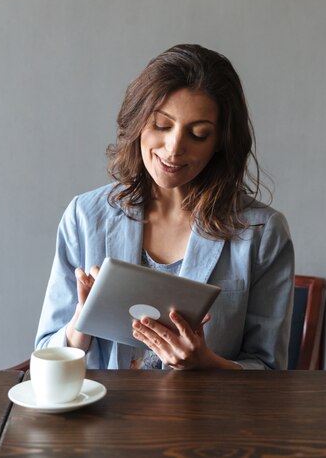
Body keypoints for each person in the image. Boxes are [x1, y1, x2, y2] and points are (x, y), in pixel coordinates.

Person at [35, 44, 294, 370]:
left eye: (198, 134)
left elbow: (270, 372)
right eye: (161, 125)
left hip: (208, 419)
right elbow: (44, 352)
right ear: (139, 122)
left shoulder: (262, 233)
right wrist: (81, 322)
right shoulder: (85, 217)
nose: (173, 149)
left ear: (219, 144)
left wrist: (207, 364)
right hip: (103, 417)